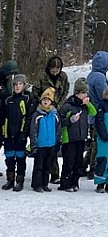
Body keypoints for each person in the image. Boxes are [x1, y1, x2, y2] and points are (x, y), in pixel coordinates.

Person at [31, 57, 68, 185]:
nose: (55, 72)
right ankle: (44, 176)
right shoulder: (43, 77)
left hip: (56, 108)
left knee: (54, 142)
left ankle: (54, 173)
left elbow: (65, 91)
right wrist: (43, 103)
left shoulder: (63, 77)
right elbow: (35, 91)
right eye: (53, 69)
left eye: (57, 69)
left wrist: (58, 104)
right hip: (43, 108)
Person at [58, 79, 96, 192]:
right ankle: (65, 183)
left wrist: (88, 103)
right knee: (69, 162)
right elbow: (59, 120)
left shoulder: (84, 106)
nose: (85, 95)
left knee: (78, 162)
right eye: (83, 93)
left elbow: (93, 112)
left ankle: (75, 182)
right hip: (69, 138)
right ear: (77, 93)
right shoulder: (68, 106)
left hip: (81, 137)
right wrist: (70, 120)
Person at [0, 74, 35, 193]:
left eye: (20, 84)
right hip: (9, 133)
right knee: (9, 157)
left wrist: (24, 132)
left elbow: (29, 117)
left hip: (21, 134)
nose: (17, 86)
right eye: (15, 84)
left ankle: (20, 180)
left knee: (20, 158)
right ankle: (10, 179)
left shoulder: (28, 99)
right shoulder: (8, 100)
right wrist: (4, 132)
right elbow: (4, 117)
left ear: (24, 85)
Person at [29, 88, 61, 193]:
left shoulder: (55, 115)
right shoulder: (37, 115)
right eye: (44, 100)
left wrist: (57, 141)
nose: (46, 102)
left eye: (48, 100)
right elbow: (33, 130)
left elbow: (58, 129)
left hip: (51, 144)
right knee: (39, 166)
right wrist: (34, 144)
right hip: (40, 145)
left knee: (47, 165)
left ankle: (45, 183)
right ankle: (37, 184)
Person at [94, 85, 108, 194]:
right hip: (104, 138)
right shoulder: (101, 105)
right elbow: (99, 121)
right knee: (103, 160)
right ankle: (100, 183)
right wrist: (104, 135)